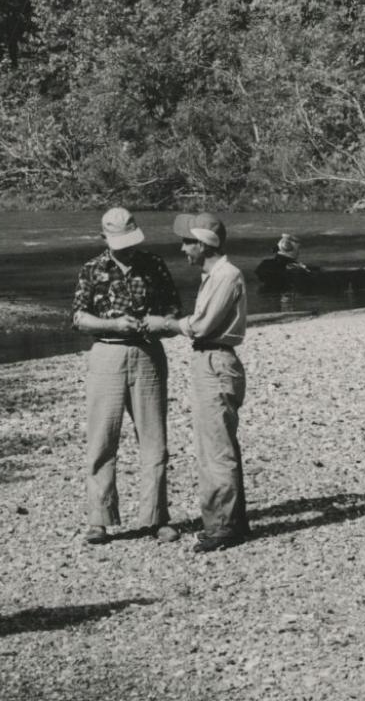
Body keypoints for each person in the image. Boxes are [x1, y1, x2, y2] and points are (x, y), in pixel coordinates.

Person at [70, 207, 184, 545]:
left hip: (148, 353)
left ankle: (156, 517)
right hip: (106, 353)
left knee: (154, 441)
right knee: (102, 438)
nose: (126, 248)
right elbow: (78, 318)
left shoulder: (154, 265)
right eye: (119, 242)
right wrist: (114, 325)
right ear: (104, 238)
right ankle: (98, 518)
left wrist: (155, 322)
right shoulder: (91, 269)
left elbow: (174, 313)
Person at [156, 212, 250, 553]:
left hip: (215, 361)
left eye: (186, 242)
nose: (183, 249)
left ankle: (223, 527)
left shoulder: (226, 275)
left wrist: (168, 324)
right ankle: (232, 522)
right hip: (212, 360)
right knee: (217, 445)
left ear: (202, 244)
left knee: (216, 450)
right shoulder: (216, 275)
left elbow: (203, 325)